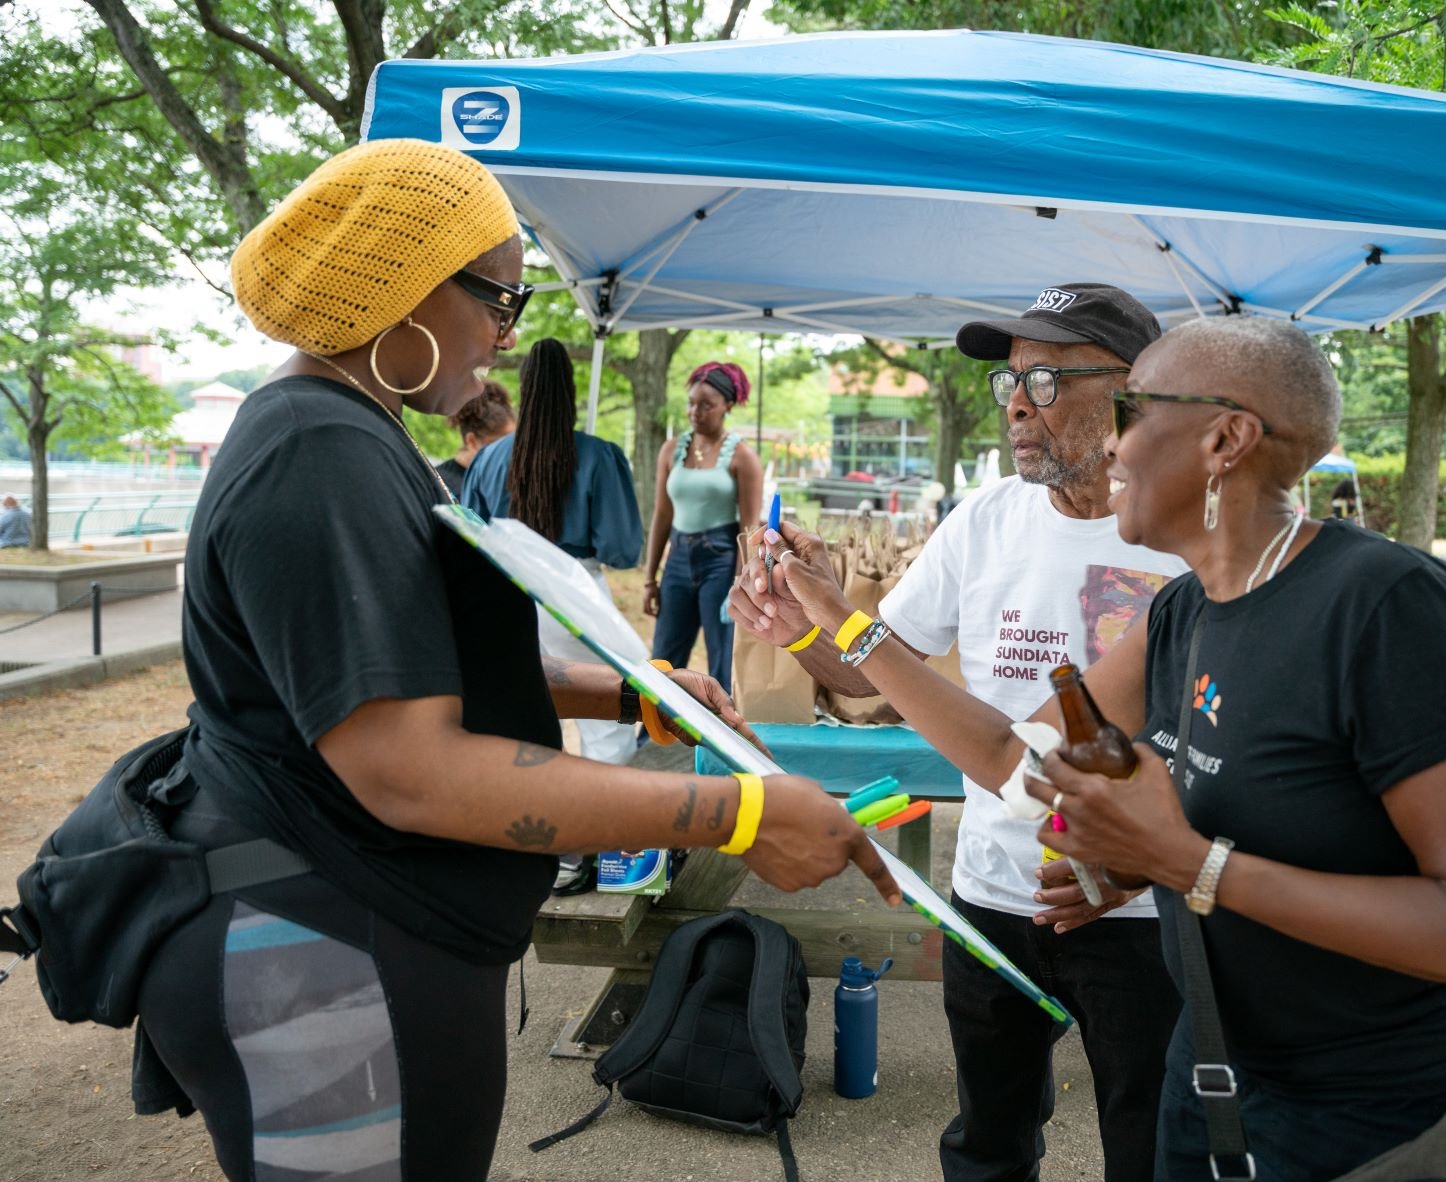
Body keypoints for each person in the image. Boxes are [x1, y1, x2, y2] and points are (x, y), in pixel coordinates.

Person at [133, 139, 897, 1182]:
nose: (508, 331)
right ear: (406, 293)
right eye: (500, 297)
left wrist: (625, 689)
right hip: (314, 958)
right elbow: (409, 767)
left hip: (354, 928)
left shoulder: (359, 432)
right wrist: (740, 815)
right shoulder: (318, 451)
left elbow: (395, 668)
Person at [1016, 317, 1446, 1178]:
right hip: (1216, 1072)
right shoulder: (1183, 610)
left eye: (1129, 410)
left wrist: (1185, 862)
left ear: (1225, 438)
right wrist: (1130, 859)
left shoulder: (1384, 603)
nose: (1108, 444)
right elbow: (1250, 812)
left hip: (1380, 1108)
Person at [732, 283, 1187, 1182]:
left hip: (1138, 912)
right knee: (987, 1141)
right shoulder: (982, 521)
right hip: (993, 895)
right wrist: (802, 621)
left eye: (1049, 380)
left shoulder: (1185, 543)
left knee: (1156, 1149)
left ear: (1131, 392)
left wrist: (1148, 858)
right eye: (1011, 382)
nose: (1018, 403)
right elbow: (874, 678)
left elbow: (1225, 744)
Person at [463, 337, 646, 892]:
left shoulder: (492, 457)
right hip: (572, 595)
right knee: (608, 722)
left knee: (519, 722)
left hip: (504, 594)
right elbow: (622, 550)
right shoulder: (598, 455)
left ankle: (528, 842)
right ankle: (589, 848)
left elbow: (467, 532)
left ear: (523, 391)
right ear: (568, 392)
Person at [644, 360, 762, 694]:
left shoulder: (742, 457)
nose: (696, 411)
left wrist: (742, 584)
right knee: (664, 659)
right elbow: (661, 515)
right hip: (678, 560)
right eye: (692, 403)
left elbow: (749, 529)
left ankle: (720, 737)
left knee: (722, 659)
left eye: (706, 405)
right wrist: (650, 578)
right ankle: (652, 740)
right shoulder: (671, 450)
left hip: (721, 561)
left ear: (727, 405)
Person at [434, 378, 515, 498]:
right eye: (497, 445)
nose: (507, 452)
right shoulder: (441, 487)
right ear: (471, 441)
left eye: (511, 443)